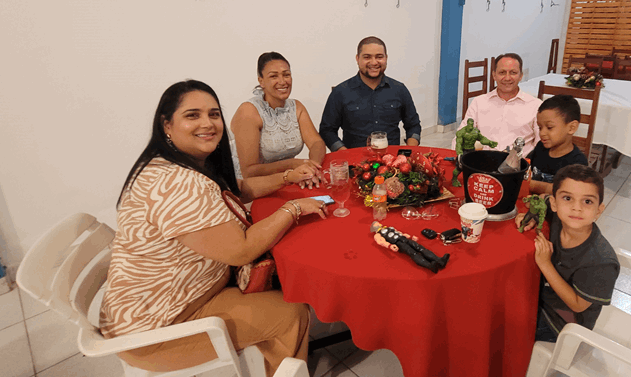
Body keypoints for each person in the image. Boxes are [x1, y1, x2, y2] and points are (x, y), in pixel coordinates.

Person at [99, 80, 328, 377]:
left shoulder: (179, 163)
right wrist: (293, 208)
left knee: (282, 271)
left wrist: (287, 176)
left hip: (177, 298)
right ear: (167, 125)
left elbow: (237, 189)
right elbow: (241, 250)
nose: (207, 123)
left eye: (214, 114)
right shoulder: (177, 183)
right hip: (158, 328)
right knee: (292, 313)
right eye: (192, 115)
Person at [523, 164, 619, 343]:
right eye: (567, 198)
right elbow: (542, 199)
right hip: (541, 297)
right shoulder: (559, 217)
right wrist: (533, 215)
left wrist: (545, 264)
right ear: (555, 204)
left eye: (587, 201)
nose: (576, 208)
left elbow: (577, 304)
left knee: (509, 326)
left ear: (599, 210)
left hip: (561, 325)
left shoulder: (601, 261)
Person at [231, 52, 326, 189]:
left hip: (288, 179)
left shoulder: (296, 106)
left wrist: (312, 167)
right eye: (273, 76)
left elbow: (317, 142)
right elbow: (249, 172)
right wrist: (292, 164)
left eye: (286, 75)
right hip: (250, 188)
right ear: (261, 81)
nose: (282, 81)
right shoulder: (249, 111)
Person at [319, 36, 421, 151]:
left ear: (386, 58)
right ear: (357, 59)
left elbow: (413, 125)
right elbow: (327, 130)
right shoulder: (340, 92)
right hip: (354, 158)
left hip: (391, 158)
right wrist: (344, 154)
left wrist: (408, 151)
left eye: (379, 57)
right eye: (367, 57)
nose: (374, 62)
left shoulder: (399, 89)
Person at [451, 53, 542, 154]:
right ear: (494, 75)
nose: (507, 78)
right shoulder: (479, 103)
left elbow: (541, 145)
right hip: (483, 161)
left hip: (520, 162)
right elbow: (460, 137)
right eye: (502, 72)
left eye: (513, 73)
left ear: (521, 76)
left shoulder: (536, 106)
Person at [527, 95, 588, 195]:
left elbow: (566, 192)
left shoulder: (578, 162)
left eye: (549, 127)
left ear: (571, 127)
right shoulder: (541, 147)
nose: (542, 133)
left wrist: (531, 185)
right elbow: (525, 167)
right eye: (540, 127)